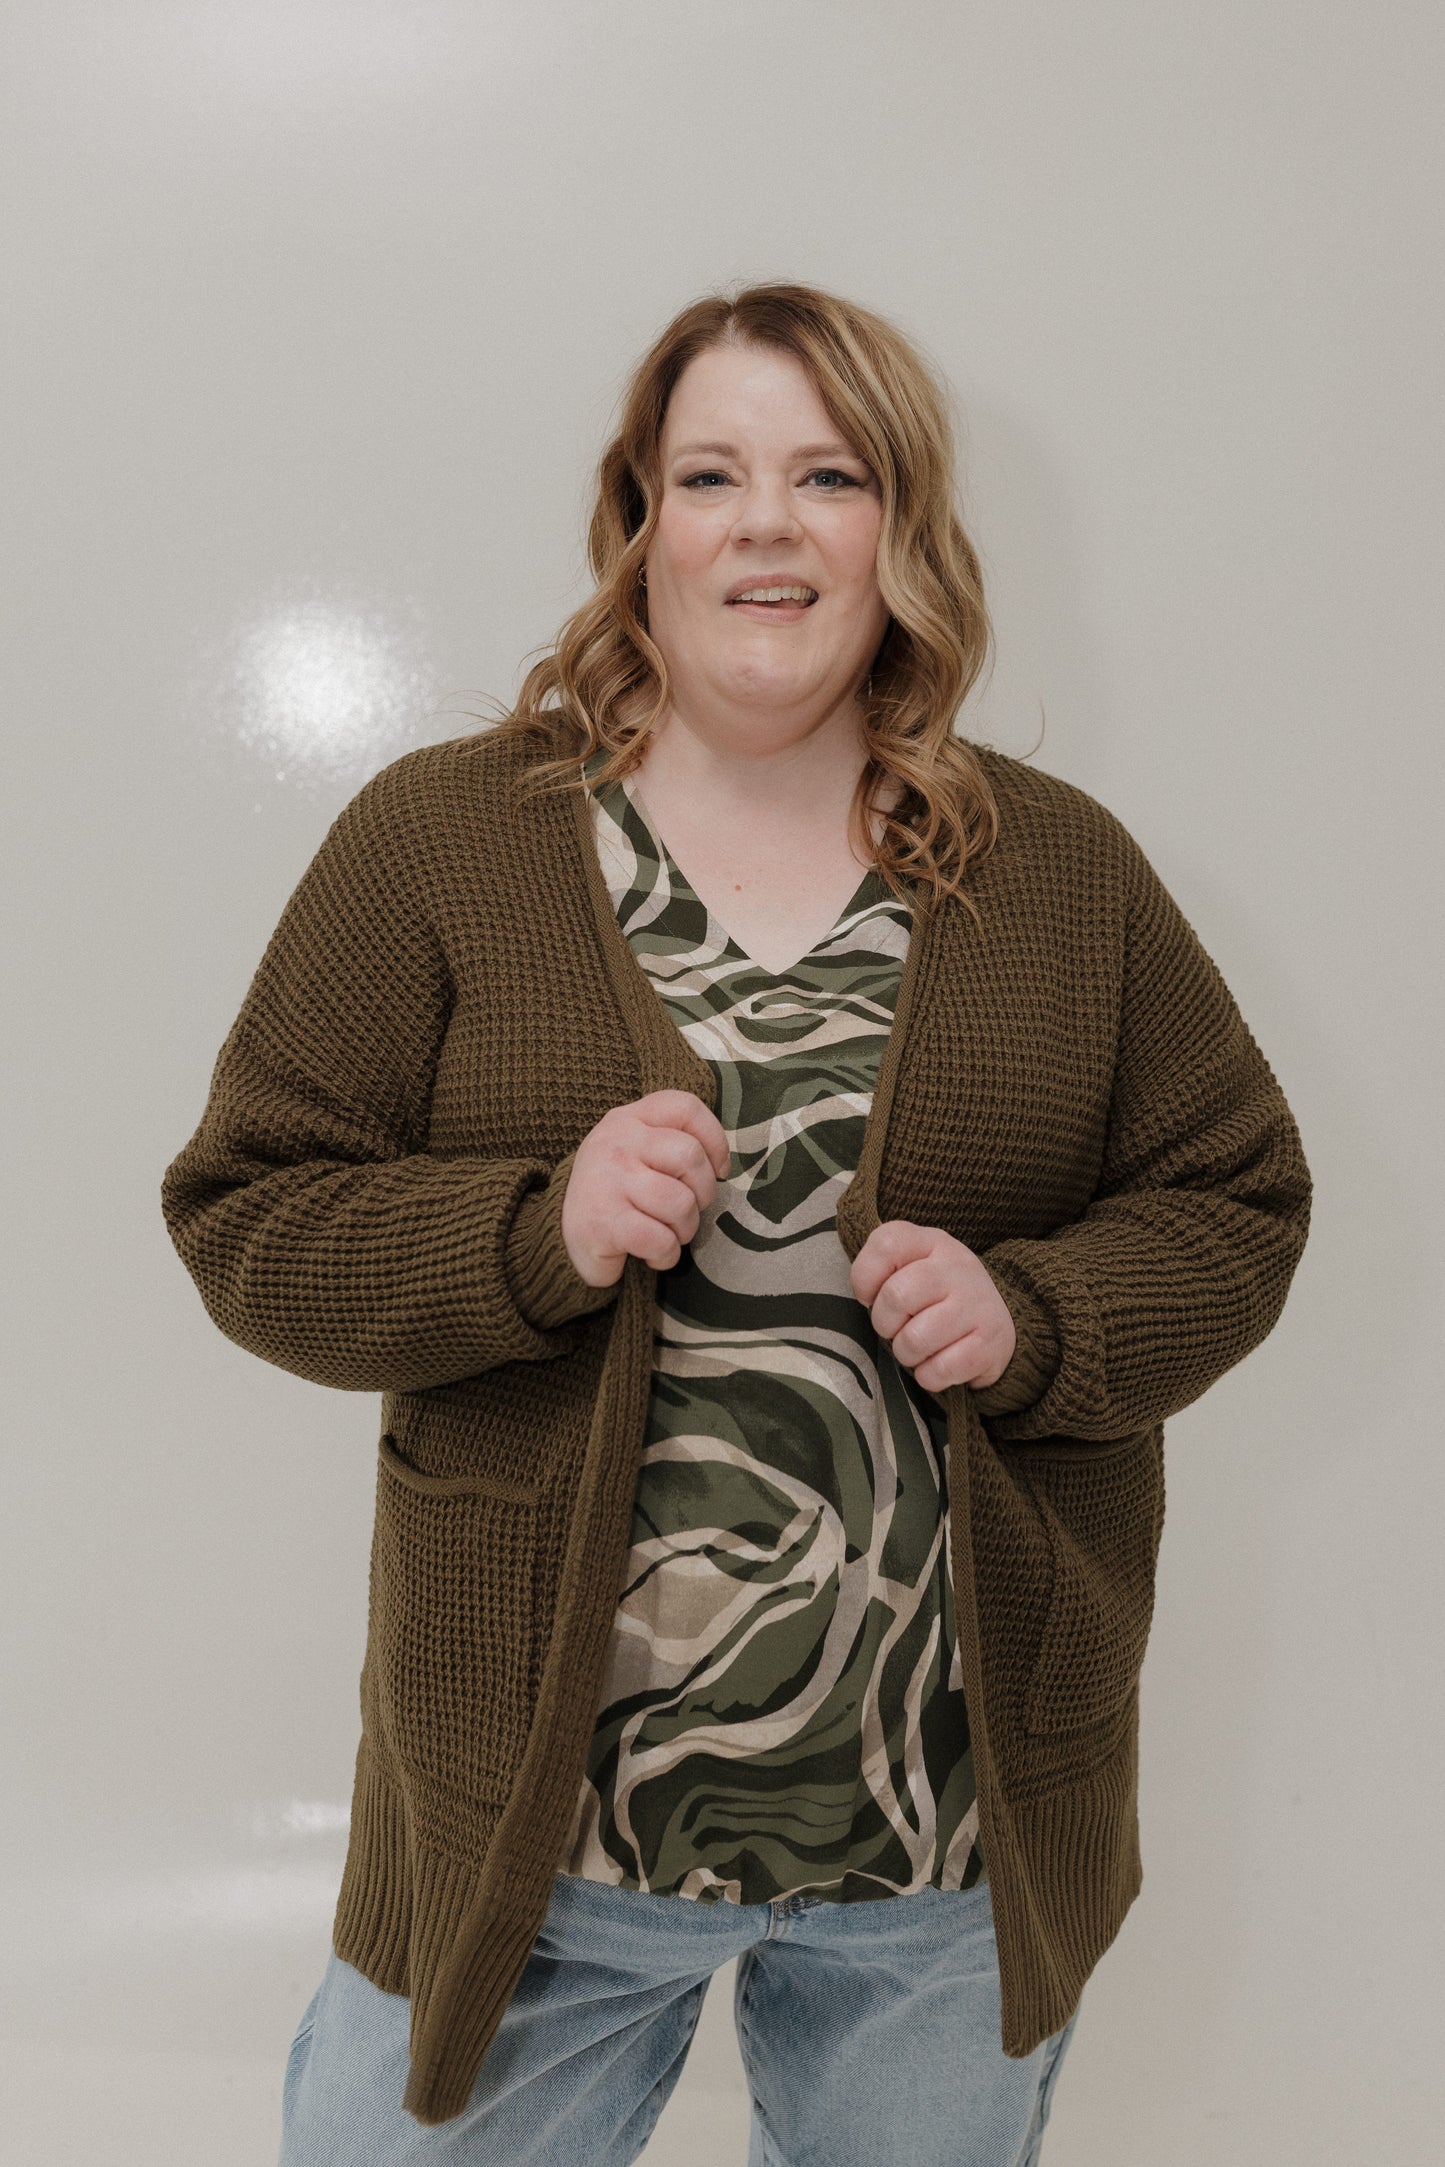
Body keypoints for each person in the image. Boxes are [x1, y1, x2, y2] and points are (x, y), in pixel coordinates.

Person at [160, 281, 1312, 2166]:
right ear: (640, 525)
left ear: (900, 526)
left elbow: (1235, 1198)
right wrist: (533, 1231)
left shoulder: (1058, 871)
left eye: (828, 476)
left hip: (947, 1839)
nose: (766, 525)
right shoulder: (443, 841)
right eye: (710, 476)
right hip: (536, 1832)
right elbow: (250, 1214)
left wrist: (1038, 1320)